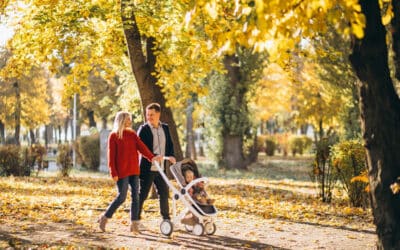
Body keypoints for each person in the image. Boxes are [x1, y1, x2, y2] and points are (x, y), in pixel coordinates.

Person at [98, 111, 162, 234]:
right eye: (128, 119)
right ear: (121, 120)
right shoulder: (114, 136)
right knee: (121, 197)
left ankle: (134, 224)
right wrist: (113, 172)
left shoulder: (132, 134)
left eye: (130, 119)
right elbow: (111, 156)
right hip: (121, 172)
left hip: (134, 171)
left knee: (136, 197)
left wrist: (152, 157)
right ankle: (104, 218)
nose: (130, 121)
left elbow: (142, 147)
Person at [137, 103, 176, 224]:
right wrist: (153, 156)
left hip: (161, 168)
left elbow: (170, 144)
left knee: (164, 193)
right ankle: (135, 219)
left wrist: (171, 156)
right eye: (147, 114)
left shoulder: (165, 127)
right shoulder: (144, 129)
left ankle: (166, 220)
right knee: (143, 194)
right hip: (147, 168)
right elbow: (140, 148)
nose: (149, 117)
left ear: (158, 114)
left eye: (152, 114)